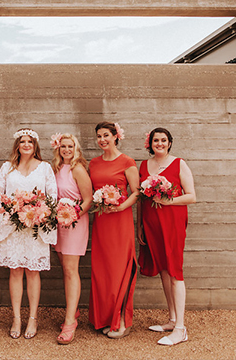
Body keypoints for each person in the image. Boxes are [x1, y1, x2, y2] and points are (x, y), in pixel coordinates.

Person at [0, 128, 58, 340]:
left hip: (35, 229)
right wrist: (12, 210)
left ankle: (32, 318)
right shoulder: (7, 167)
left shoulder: (45, 168)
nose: (26, 144)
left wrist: (41, 214)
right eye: (22, 141)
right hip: (14, 228)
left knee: (33, 272)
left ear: (35, 145)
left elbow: (53, 197)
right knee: (15, 271)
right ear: (17, 145)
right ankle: (16, 318)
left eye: (30, 141)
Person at [138, 127, 196, 346]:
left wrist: (168, 201)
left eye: (163, 140)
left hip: (172, 223)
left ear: (169, 142)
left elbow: (191, 196)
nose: (159, 144)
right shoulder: (144, 165)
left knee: (174, 271)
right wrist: (140, 227)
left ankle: (181, 329)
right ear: (150, 143)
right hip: (152, 224)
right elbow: (142, 199)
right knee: (163, 269)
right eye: (155, 140)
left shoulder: (179, 164)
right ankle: (172, 319)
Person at [88, 121, 139, 339]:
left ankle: (121, 320)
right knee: (102, 270)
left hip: (120, 221)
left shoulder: (127, 161)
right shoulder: (93, 163)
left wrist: (119, 207)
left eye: (106, 135)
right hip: (101, 222)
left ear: (116, 136)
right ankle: (103, 318)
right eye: (99, 136)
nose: (102, 140)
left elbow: (136, 192)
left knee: (119, 268)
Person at [50, 133, 92, 345]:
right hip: (58, 224)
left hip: (74, 223)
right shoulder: (56, 169)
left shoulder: (78, 169)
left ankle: (69, 323)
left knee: (71, 269)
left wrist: (73, 216)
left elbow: (88, 200)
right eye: (63, 146)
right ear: (58, 149)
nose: (66, 149)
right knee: (64, 268)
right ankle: (72, 311)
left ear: (76, 148)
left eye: (70, 146)